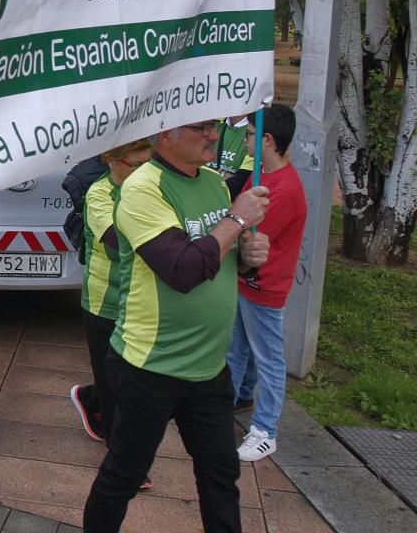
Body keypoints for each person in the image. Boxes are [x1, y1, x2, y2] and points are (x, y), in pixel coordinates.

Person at [83, 120, 272, 533]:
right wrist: (237, 223)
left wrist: (247, 255)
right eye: (201, 127)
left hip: (208, 367)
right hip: (150, 366)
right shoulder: (141, 188)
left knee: (222, 477)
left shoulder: (214, 184)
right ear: (165, 133)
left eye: (214, 126)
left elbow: (219, 255)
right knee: (124, 476)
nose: (213, 135)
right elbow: (182, 270)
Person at [227, 105, 308, 462]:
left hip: (265, 286)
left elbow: (245, 229)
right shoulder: (260, 174)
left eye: (249, 135)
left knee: (268, 357)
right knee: (238, 349)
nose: (245, 140)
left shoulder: (284, 188)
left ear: (267, 140)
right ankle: (232, 400)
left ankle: (265, 431)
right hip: (247, 283)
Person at [69, 140, 152, 449]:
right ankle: (125, 456)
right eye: (136, 165)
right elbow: (119, 241)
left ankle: (91, 396)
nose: (144, 171)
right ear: (112, 162)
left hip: (140, 300)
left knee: (132, 380)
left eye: (148, 163)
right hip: (104, 303)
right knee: (115, 382)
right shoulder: (100, 194)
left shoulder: (148, 189)